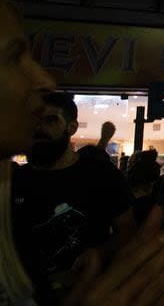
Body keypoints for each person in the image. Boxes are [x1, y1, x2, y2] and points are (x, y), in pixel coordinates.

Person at [0, 0, 164, 306]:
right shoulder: (16, 181)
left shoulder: (94, 174)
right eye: (15, 57)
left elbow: (123, 231)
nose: (44, 79)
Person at [12, 92, 137, 300]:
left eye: (50, 120)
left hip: (88, 295)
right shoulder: (14, 179)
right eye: (34, 121)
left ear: (72, 127)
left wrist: (98, 256)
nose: (39, 128)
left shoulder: (101, 175)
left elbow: (127, 229)